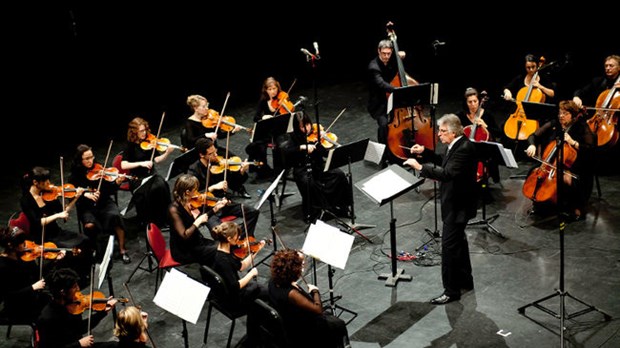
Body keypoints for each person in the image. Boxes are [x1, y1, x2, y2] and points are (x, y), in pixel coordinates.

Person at [403, 114, 478, 304]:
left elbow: (447, 173)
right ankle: (465, 281)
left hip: (457, 207)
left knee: (449, 249)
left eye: (442, 131)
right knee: (459, 244)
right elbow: (444, 160)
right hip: (455, 204)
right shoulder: (457, 145)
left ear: (453, 132)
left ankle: (451, 291)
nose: (439, 135)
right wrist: (425, 152)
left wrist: (420, 166)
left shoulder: (465, 148)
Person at [20, 166, 94, 287]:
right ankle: (71, 280)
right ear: (35, 183)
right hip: (42, 236)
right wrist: (57, 216)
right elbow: (38, 222)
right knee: (69, 249)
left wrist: (76, 197)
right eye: (46, 181)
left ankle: (83, 274)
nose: (50, 184)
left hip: (56, 232)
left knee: (85, 240)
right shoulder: (26, 200)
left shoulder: (49, 194)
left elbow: (64, 210)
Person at [524, 100, 596, 221]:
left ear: (573, 115)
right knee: (535, 171)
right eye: (560, 113)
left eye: (565, 113)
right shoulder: (554, 123)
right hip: (551, 163)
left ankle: (575, 207)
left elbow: (590, 149)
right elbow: (533, 136)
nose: (561, 116)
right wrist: (532, 145)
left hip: (575, 165)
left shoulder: (581, 126)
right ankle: (539, 203)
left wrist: (573, 142)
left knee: (566, 178)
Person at [267, 248, 350, 348]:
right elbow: (317, 309)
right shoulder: (292, 293)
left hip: (286, 321)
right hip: (301, 330)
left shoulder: (273, 281)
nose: (302, 269)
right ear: (293, 271)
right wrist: (315, 291)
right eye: (300, 266)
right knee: (338, 324)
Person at [279, 111, 352, 222]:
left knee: (339, 174)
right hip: (302, 168)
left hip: (318, 165)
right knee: (309, 183)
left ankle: (341, 206)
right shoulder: (293, 137)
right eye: (302, 127)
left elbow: (324, 154)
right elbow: (286, 151)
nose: (307, 129)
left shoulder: (315, 133)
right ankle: (315, 212)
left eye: (308, 125)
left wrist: (325, 143)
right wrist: (302, 147)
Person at [69, 144, 131, 264]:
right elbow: (71, 195)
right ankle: (96, 250)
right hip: (86, 207)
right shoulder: (74, 176)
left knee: (116, 216)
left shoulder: (99, 169)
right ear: (79, 160)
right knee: (89, 225)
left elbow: (110, 190)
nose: (90, 160)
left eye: (91, 157)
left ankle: (123, 249)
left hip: (104, 202)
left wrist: (117, 183)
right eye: (86, 159)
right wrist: (84, 195)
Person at [210, 221, 268, 346]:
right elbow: (235, 286)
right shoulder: (224, 261)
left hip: (224, 294)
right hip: (233, 300)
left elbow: (241, 266)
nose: (239, 239)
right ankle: (257, 334)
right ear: (229, 238)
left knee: (261, 290)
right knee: (266, 294)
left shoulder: (221, 251)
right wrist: (251, 274)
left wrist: (255, 251)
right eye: (236, 237)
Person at [187, 138, 260, 238]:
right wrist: (212, 188)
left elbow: (235, 184)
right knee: (219, 232)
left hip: (224, 202)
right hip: (208, 208)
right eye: (211, 154)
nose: (216, 155)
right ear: (202, 155)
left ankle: (241, 239)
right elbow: (193, 195)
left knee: (253, 212)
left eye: (215, 152)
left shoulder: (220, 164)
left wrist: (241, 172)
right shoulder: (193, 170)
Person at [367, 38, 419, 164]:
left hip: (395, 101)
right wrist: (400, 91)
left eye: (389, 53)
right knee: (384, 125)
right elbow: (382, 84)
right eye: (384, 53)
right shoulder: (373, 67)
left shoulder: (392, 60)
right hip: (380, 104)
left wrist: (402, 54)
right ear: (379, 51)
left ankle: (406, 148)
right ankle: (385, 155)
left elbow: (404, 59)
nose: (386, 56)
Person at [37, 267, 118, 348]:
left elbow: (80, 328)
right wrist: (79, 344)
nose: (78, 289)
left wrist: (103, 312)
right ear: (63, 292)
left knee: (114, 345)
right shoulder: (47, 318)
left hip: (79, 344)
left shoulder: (72, 306)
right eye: (74, 287)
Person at [121, 117, 176, 228]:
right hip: (137, 177)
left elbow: (157, 160)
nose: (144, 133)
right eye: (141, 131)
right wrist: (141, 163)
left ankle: (164, 218)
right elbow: (124, 165)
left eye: (145, 130)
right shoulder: (129, 145)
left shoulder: (149, 142)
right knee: (151, 190)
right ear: (134, 132)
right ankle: (150, 221)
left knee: (163, 186)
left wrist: (167, 153)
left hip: (151, 174)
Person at [502, 53, 556, 158]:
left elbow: (552, 93)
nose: (531, 70)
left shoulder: (544, 78)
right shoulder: (521, 78)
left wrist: (540, 86)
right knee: (504, 126)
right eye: (528, 67)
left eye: (533, 67)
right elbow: (507, 87)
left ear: (537, 66)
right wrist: (507, 92)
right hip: (519, 112)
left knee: (538, 129)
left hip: (536, 114)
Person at [168, 173, 226, 266]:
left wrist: (215, 209)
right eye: (195, 190)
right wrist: (197, 222)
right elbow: (184, 235)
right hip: (184, 250)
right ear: (187, 192)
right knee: (221, 250)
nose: (197, 192)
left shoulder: (188, 202)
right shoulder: (173, 209)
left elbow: (200, 219)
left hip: (196, 241)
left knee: (223, 246)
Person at [244, 77, 296, 179]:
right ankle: (263, 170)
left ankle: (281, 171)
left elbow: (290, 113)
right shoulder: (263, 101)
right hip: (267, 132)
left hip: (281, 131)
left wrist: (285, 106)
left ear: (277, 88)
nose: (272, 91)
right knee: (257, 145)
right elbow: (256, 117)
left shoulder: (282, 97)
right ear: (266, 90)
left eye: (274, 88)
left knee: (278, 145)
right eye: (270, 89)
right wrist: (263, 117)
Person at [0, 226, 51, 324]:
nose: (25, 245)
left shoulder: (23, 256)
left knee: (55, 303)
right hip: (17, 307)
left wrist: (54, 261)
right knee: (50, 314)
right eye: (22, 243)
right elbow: (8, 296)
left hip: (31, 298)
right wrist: (32, 287)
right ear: (11, 245)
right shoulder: (2, 266)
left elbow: (38, 275)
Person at [455, 87, 501, 183]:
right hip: (466, 148)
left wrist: (485, 125)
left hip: (483, 150)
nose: (473, 104)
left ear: (479, 101)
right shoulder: (461, 116)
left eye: (475, 101)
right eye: (470, 102)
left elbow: (499, 133)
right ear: (466, 103)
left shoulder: (487, 115)